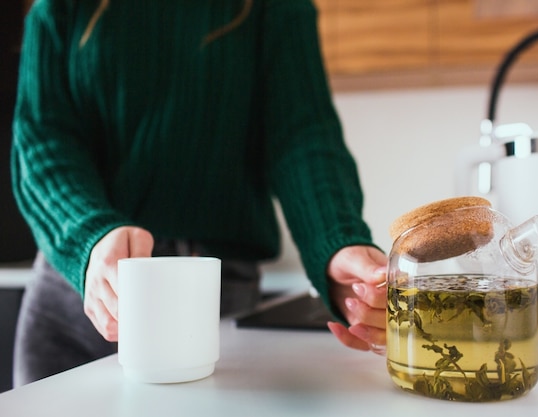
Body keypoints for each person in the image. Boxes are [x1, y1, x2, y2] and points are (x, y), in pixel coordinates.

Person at [11, 0, 388, 386]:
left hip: (210, 297)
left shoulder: (275, 9)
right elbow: (43, 141)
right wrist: (87, 233)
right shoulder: (59, 9)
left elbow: (303, 139)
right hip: (75, 284)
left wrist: (336, 244)